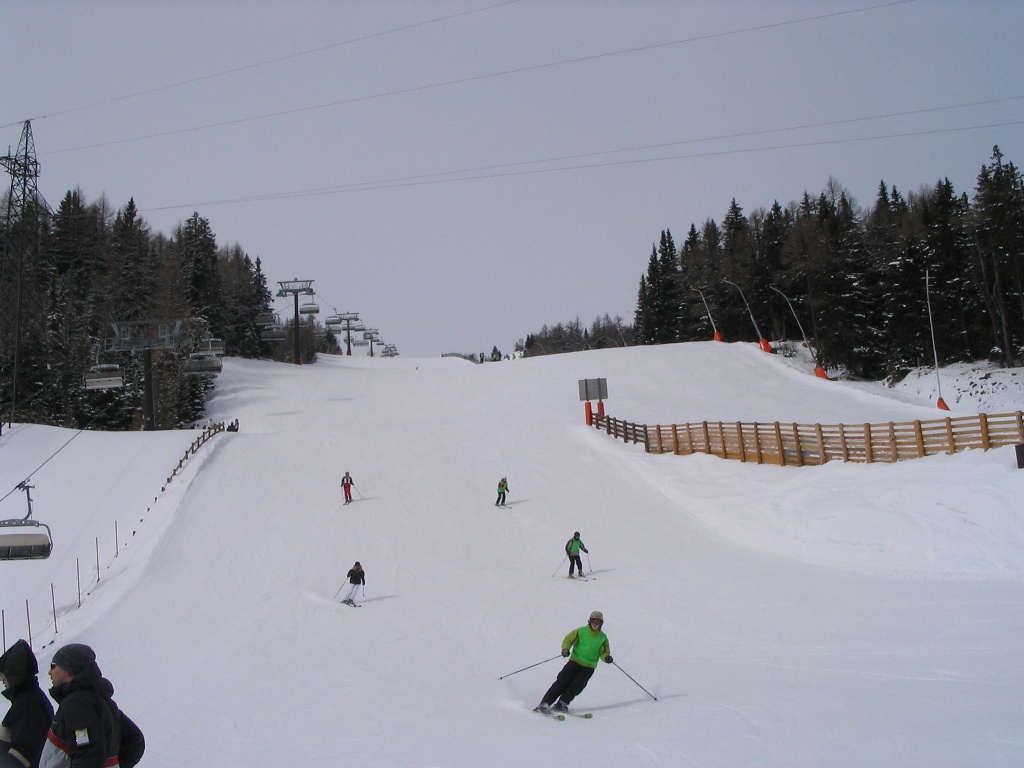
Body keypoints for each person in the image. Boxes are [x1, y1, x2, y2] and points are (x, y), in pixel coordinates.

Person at [39, 643, 121, 768]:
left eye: (53, 666)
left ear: (68, 670)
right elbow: (134, 739)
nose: (50, 672)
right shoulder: (99, 699)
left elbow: (89, 756)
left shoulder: (78, 704)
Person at [535, 611, 612, 714]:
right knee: (562, 681)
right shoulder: (581, 631)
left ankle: (562, 703)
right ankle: (545, 703)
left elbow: (603, 652)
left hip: (589, 666)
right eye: (594, 620)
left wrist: (606, 657)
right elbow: (568, 640)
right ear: (590, 621)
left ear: (601, 624)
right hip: (575, 662)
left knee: (578, 685)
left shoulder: (602, 638)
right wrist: (565, 649)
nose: (595, 623)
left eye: (598, 621)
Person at [1, 639, 53, 768]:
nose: (2, 681)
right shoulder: (25, 700)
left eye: (3, 676)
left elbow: (23, 753)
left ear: (14, 676)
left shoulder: (29, 704)